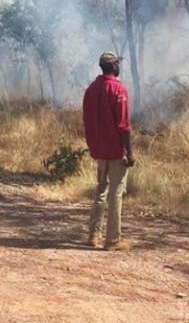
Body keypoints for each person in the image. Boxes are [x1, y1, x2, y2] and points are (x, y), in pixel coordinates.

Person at [82, 51, 135, 251]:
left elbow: (86, 120)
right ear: (113, 67)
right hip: (114, 150)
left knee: (100, 191)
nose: (119, 67)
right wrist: (129, 152)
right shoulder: (118, 89)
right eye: (117, 64)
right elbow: (124, 125)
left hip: (98, 149)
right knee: (116, 193)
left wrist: (93, 145)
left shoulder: (91, 89)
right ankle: (113, 240)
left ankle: (93, 234)